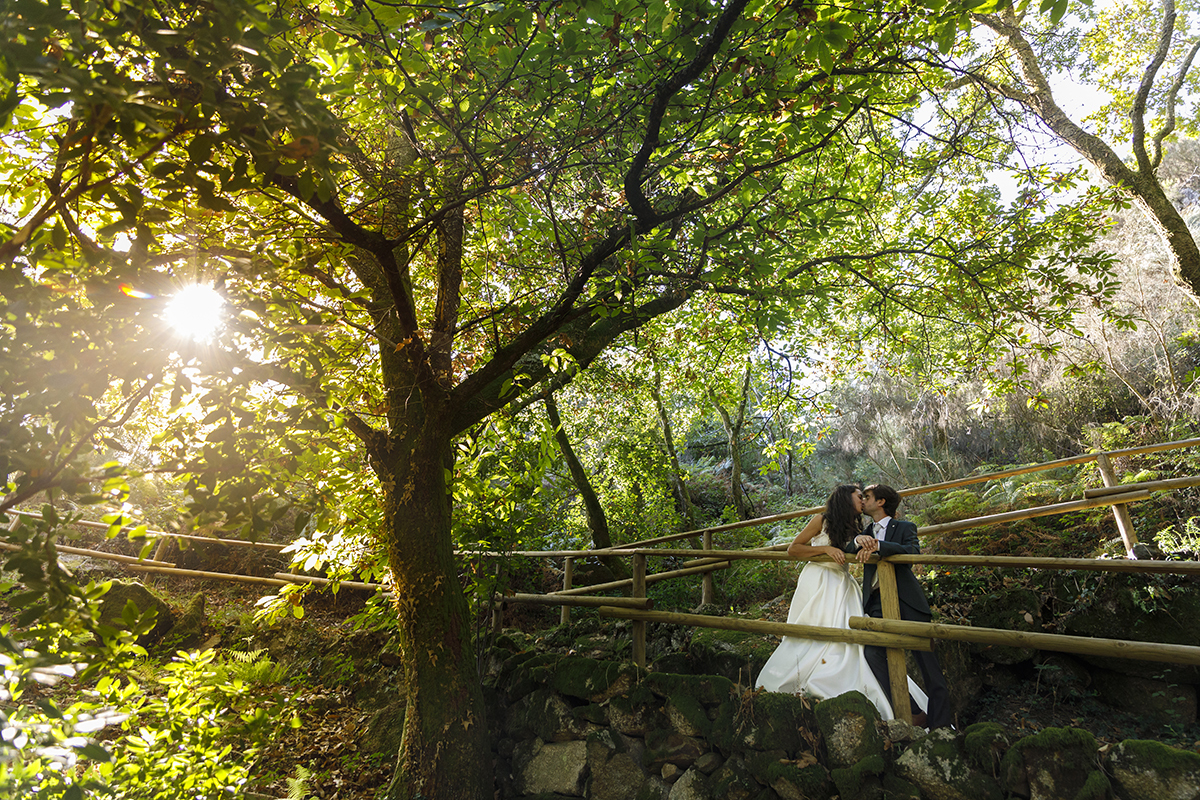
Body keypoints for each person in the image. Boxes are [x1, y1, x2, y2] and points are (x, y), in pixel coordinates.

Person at [755, 484, 927, 721]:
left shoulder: (857, 527)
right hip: (818, 580)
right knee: (814, 631)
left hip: (843, 584)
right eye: (859, 496)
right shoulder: (821, 520)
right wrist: (825, 549)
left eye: (865, 497)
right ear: (846, 498)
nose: (862, 501)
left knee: (851, 639)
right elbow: (794, 549)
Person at [847, 483, 951, 729]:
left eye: (867, 496)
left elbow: (912, 553)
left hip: (908, 600)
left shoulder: (905, 527)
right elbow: (845, 548)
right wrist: (858, 540)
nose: (863, 501)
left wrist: (880, 546)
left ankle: (942, 727)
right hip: (876, 603)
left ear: (881, 501)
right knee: (872, 653)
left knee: (928, 664)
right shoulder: (864, 531)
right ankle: (914, 712)